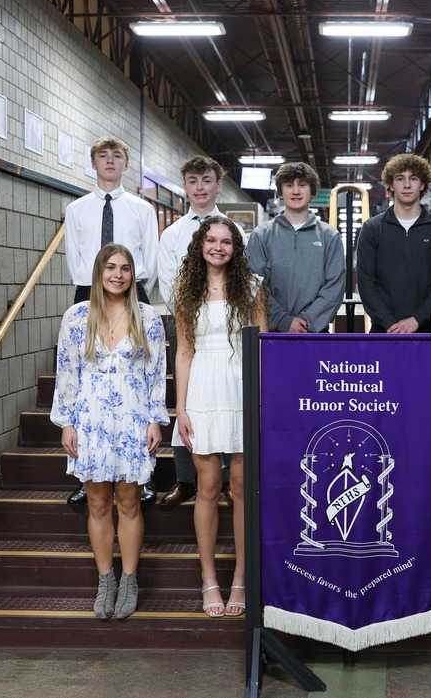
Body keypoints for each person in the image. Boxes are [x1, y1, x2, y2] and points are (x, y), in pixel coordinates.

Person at [50, 244, 169, 620]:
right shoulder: (76, 316)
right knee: (98, 503)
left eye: (125, 269)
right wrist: (67, 422)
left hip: (133, 419)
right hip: (91, 420)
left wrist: (155, 418)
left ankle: (130, 579)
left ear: (133, 275)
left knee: (129, 503)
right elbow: (66, 372)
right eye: (111, 267)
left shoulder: (148, 317)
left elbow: (156, 372)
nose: (118, 275)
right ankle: (106, 580)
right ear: (99, 272)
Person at [172, 216, 268, 617]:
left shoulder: (253, 287)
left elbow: (261, 346)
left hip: (242, 387)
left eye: (226, 241)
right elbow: (183, 352)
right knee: (208, 487)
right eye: (211, 240)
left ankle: (241, 577)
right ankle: (209, 578)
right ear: (200, 245)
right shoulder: (185, 288)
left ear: (235, 248)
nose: (218, 247)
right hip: (202, 390)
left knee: (242, 488)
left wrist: (261, 401)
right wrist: (181, 409)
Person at [64, 135, 160, 505]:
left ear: (125, 163)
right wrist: (92, 289)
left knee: (137, 378)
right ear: (93, 163)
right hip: (89, 293)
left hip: (132, 292)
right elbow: (75, 257)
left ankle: (142, 475)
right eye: (102, 156)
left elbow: (149, 256)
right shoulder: (77, 209)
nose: (109, 161)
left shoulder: (142, 209)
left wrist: (131, 287)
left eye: (116, 155)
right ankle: (88, 474)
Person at [157, 155, 245, 508]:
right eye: (192, 181)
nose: (199, 187)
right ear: (185, 186)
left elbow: (242, 276)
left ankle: (225, 481)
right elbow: (168, 284)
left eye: (206, 180)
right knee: (190, 402)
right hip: (188, 323)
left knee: (227, 403)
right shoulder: (173, 233)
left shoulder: (235, 231)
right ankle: (185, 479)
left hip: (228, 330)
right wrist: (193, 311)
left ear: (218, 184)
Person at [356, 153, 431, 333]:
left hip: (429, 330)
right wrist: (388, 322)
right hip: (383, 331)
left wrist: (417, 319)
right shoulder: (372, 228)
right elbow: (366, 283)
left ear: (422, 184)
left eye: (414, 178)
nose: (407, 185)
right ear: (391, 185)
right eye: (400, 178)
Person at [246, 162, 345, 333]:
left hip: (314, 332)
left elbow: (334, 287)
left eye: (303, 185)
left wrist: (308, 321)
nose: (296, 191)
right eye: (289, 185)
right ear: (281, 192)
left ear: (312, 192)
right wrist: (284, 321)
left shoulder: (330, 236)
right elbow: (255, 284)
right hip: (271, 332)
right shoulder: (261, 235)